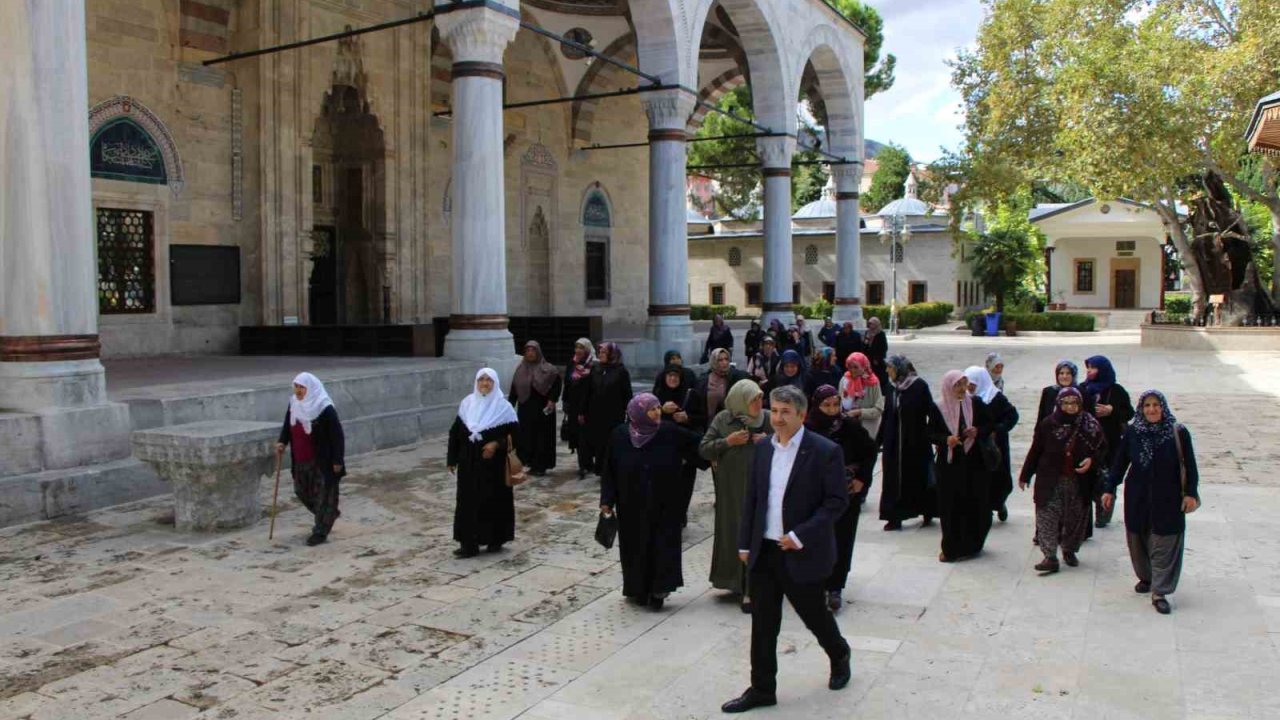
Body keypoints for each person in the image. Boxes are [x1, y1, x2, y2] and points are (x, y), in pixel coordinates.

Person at [721, 385, 852, 714]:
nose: (777, 419)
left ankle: (839, 654)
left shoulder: (824, 451)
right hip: (765, 550)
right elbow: (753, 498)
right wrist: (744, 543)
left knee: (814, 616)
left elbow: (837, 502)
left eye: (785, 413)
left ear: (802, 415)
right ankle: (762, 688)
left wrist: (800, 534)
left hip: (800, 551)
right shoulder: (763, 449)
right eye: (774, 411)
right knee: (763, 624)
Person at [601, 394, 702, 610]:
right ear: (637, 413)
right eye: (651, 409)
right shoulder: (619, 435)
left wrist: (723, 448)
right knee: (634, 547)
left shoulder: (668, 431)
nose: (657, 412)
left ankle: (659, 591)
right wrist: (607, 500)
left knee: (662, 546)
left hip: (665, 503)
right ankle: (637, 589)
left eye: (658, 408)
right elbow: (609, 469)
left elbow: (699, 446)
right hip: (631, 504)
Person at [1102, 391, 1200, 615]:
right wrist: (1109, 489)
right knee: (1138, 539)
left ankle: (1160, 591)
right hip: (1138, 496)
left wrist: (1190, 493)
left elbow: (1190, 465)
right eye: (1147, 405)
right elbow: (1120, 463)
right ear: (1141, 408)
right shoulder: (1133, 432)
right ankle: (1146, 577)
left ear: (1163, 407)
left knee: (1165, 541)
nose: (1152, 409)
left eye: (1156, 405)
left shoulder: (1178, 432)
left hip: (1169, 497)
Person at [700, 379, 772, 612]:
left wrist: (770, 441)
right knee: (735, 532)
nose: (759, 403)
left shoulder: (769, 419)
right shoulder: (724, 419)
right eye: (754, 399)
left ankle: (753, 588)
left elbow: (791, 443)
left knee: (757, 534)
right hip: (731, 490)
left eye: (760, 397)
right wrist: (727, 441)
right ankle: (735, 581)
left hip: (762, 489)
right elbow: (704, 447)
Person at [806, 385, 878, 613]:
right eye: (826, 405)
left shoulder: (849, 426)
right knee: (816, 537)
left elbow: (870, 451)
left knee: (843, 537)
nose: (831, 409)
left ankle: (835, 586)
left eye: (835, 404)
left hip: (846, 492)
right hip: (816, 494)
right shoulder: (808, 430)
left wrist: (862, 479)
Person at [1019, 387, 1107, 573]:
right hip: (1050, 479)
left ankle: (1069, 549)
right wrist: (1025, 474)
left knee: (1075, 519)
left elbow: (1102, 449)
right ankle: (1050, 556)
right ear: (1059, 404)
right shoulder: (1048, 424)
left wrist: (1092, 460)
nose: (1070, 407)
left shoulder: (1090, 424)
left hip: (1078, 481)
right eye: (1065, 403)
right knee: (1046, 516)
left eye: (1074, 403)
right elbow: (1036, 450)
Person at [447, 369, 520, 558]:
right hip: (469, 464)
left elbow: (516, 436)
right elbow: (455, 433)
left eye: (489, 380)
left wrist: (496, 444)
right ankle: (468, 544)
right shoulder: (467, 404)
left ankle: (495, 538)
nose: (485, 383)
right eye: (481, 379)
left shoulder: (504, 408)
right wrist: (451, 459)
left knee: (493, 501)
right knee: (467, 502)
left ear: (495, 383)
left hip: (493, 467)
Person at [929, 370, 993, 562]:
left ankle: (972, 544)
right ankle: (951, 548)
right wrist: (946, 439)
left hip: (973, 462)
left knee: (974, 503)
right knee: (950, 506)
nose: (962, 390)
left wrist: (978, 431)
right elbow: (930, 433)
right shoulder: (938, 407)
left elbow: (990, 424)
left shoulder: (974, 403)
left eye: (963, 385)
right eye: (957, 386)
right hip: (949, 464)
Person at [275, 372, 346, 546]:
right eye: (296, 386)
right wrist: (282, 441)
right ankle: (327, 514)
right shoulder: (294, 403)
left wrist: (337, 460)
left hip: (322, 461)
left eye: (302, 387)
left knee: (323, 495)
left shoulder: (324, 408)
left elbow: (337, 436)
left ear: (311, 388)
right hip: (300, 459)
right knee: (301, 491)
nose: (298, 391)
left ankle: (320, 531)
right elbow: (288, 425)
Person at [879, 355, 937, 530]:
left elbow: (932, 412)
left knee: (919, 477)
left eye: (890, 367)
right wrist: (879, 440)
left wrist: (935, 435)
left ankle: (927, 511)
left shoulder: (919, 386)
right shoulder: (891, 388)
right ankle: (894, 516)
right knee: (893, 480)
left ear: (900, 368)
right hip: (893, 444)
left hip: (915, 442)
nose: (887, 371)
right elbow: (887, 414)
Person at [1083, 355, 1134, 528]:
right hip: (1087, 442)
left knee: (1108, 478)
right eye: (1088, 368)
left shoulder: (1117, 390)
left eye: (1093, 368)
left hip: (1111, 443)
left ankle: (1104, 510)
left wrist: (1112, 410)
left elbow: (1129, 413)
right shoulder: (1083, 389)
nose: (1089, 371)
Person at [964, 365, 1019, 522]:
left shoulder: (996, 398)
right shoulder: (965, 399)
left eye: (973, 385)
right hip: (974, 447)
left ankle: (999, 504)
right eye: (967, 384)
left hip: (994, 446)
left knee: (998, 478)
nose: (970, 388)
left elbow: (1012, 416)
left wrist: (997, 430)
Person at [654, 363, 700, 527]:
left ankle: (680, 516)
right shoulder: (657, 395)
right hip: (663, 450)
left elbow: (700, 419)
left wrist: (687, 418)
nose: (673, 379)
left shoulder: (690, 395)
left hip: (685, 451)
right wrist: (661, 409)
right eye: (670, 376)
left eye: (676, 376)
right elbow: (646, 419)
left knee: (684, 486)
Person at [510, 341, 561, 477]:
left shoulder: (549, 369)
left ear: (538, 352)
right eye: (528, 351)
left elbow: (556, 384)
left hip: (543, 410)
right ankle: (531, 464)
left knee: (542, 438)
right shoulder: (520, 370)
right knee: (527, 437)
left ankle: (541, 465)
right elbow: (514, 390)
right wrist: (509, 407)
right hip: (525, 410)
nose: (530, 353)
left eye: (533, 350)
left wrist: (552, 400)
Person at [582, 342, 633, 477]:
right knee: (599, 443)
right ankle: (600, 470)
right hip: (596, 414)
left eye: (604, 353)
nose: (600, 355)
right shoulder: (596, 369)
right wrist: (583, 411)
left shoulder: (621, 371)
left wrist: (630, 413)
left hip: (614, 414)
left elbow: (627, 394)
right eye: (600, 353)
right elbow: (589, 391)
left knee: (612, 443)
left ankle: (612, 471)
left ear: (612, 354)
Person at [691, 348, 750, 430]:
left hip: (730, 426)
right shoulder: (703, 380)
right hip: (708, 426)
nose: (724, 363)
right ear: (713, 362)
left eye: (726, 359)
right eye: (720, 360)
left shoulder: (736, 377)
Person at [562, 338, 596, 479]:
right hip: (574, 405)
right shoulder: (573, 363)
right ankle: (583, 464)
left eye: (581, 348)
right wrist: (565, 401)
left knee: (587, 435)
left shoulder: (593, 365)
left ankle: (588, 463)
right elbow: (567, 382)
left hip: (589, 406)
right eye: (576, 347)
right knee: (577, 435)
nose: (578, 351)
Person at [1036, 360, 1095, 425]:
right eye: (1061, 373)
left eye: (1068, 373)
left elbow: (1089, 417)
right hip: (1051, 431)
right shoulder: (1049, 391)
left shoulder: (1082, 393)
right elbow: (1041, 417)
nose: (1064, 376)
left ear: (1074, 375)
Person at [863, 317, 889, 393]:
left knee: (879, 375)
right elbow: (864, 345)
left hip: (877, 360)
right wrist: (866, 341)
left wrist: (877, 358)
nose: (870, 326)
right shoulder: (867, 332)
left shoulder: (881, 334)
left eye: (872, 324)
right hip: (868, 358)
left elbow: (884, 347)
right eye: (869, 324)